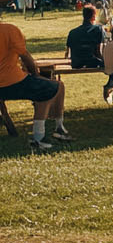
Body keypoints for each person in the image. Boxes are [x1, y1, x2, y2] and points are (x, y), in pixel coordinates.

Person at [0, 20, 73, 150]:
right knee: (49, 89)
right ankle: (39, 137)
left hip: (8, 82)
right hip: (11, 82)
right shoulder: (9, 30)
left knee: (59, 86)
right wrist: (35, 74)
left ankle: (59, 127)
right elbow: (25, 56)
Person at [64, 4, 105, 69]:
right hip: (92, 62)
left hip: (76, 63)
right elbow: (98, 52)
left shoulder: (72, 32)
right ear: (93, 16)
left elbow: (67, 53)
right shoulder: (97, 29)